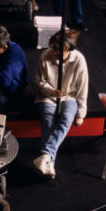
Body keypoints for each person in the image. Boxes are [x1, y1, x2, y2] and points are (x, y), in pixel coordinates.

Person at [32, 28, 88, 178]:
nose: (55, 52)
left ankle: (45, 156)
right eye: (54, 48)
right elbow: (39, 82)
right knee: (48, 122)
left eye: (59, 50)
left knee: (65, 120)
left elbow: (83, 88)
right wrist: (51, 91)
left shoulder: (78, 60)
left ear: (68, 49)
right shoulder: (45, 56)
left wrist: (80, 114)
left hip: (70, 96)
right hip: (47, 96)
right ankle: (49, 163)